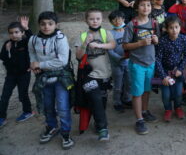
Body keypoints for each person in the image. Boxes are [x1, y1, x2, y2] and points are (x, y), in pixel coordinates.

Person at [29, 11, 75, 149]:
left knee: (62, 106)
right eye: (43, 24)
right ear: (39, 25)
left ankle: (66, 132)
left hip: (61, 78)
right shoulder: (33, 39)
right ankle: (52, 127)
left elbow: (62, 61)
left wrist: (40, 65)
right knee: (47, 105)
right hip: (43, 78)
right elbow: (32, 53)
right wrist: (34, 64)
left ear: (56, 24)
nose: (46, 27)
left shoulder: (61, 39)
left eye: (50, 24)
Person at [75, 9, 116, 141]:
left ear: (101, 19)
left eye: (97, 19)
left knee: (102, 100)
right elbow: (78, 56)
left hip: (105, 73)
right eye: (92, 19)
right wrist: (86, 43)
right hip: (89, 75)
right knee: (96, 98)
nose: (95, 21)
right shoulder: (82, 36)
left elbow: (112, 45)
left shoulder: (105, 33)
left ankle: (98, 123)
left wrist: (99, 45)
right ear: (86, 20)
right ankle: (103, 128)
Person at [122, 0, 160, 135]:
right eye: (142, 5)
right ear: (137, 7)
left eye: (148, 5)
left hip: (151, 62)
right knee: (137, 92)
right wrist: (140, 43)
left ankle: (144, 111)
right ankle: (139, 120)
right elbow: (125, 46)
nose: (146, 7)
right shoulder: (132, 25)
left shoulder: (154, 23)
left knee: (146, 90)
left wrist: (156, 40)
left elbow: (157, 41)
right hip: (137, 64)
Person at [155, 16, 186, 122]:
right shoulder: (163, 41)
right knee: (166, 94)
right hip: (165, 72)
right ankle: (168, 109)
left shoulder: (184, 39)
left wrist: (180, 68)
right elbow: (157, 59)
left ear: (180, 27)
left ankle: (178, 108)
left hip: (177, 72)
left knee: (178, 93)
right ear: (166, 28)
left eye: (176, 27)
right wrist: (163, 76)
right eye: (171, 27)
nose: (174, 30)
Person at [0, 17, 33, 127]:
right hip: (11, 75)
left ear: (22, 33)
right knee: (5, 96)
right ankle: (2, 117)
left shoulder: (26, 42)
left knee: (22, 94)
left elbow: (32, 40)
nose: (14, 35)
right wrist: (7, 49)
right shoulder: (7, 44)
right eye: (11, 33)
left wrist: (27, 28)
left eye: (16, 32)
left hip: (24, 74)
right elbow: (3, 57)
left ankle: (28, 111)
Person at [107, 10, 132, 113]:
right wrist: (119, 58)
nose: (117, 21)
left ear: (123, 19)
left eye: (119, 19)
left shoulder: (128, 31)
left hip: (129, 63)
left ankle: (127, 99)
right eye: (114, 19)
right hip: (116, 64)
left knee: (129, 83)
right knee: (118, 85)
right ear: (111, 22)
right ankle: (117, 102)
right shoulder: (110, 34)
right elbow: (109, 50)